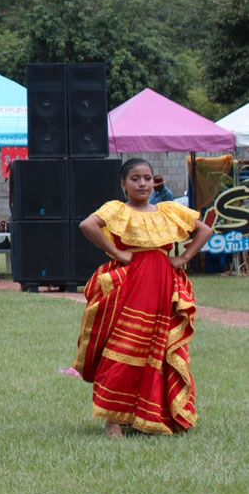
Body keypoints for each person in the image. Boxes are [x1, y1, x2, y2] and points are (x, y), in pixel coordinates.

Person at [75, 158, 212, 437]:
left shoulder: (168, 211)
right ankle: (114, 421)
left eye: (147, 178)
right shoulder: (116, 209)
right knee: (124, 347)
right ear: (123, 184)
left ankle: (157, 416)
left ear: (154, 181)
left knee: (160, 348)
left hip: (163, 285)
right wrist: (119, 254)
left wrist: (183, 258)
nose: (142, 184)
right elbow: (87, 225)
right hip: (131, 285)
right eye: (135, 179)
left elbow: (204, 230)